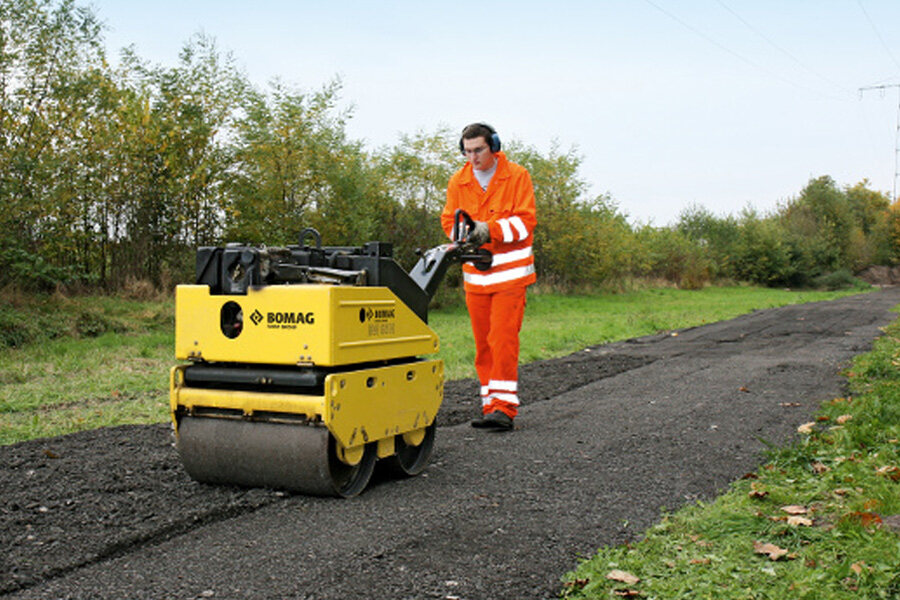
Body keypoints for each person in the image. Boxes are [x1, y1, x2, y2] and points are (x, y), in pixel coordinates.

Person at [440, 123, 537, 431]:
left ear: (493, 146)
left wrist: (489, 230)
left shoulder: (517, 176)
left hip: (509, 278)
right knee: (483, 345)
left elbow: (525, 223)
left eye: (478, 150)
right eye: (467, 151)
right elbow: (449, 220)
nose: (473, 158)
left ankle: (504, 409)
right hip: (476, 279)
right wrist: (464, 234)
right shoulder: (459, 181)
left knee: (503, 340)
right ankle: (489, 405)